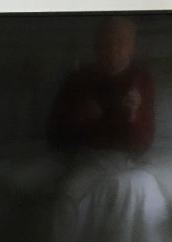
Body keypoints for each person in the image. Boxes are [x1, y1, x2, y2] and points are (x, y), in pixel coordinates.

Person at [48, 17, 155, 155]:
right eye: (106, 42)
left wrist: (134, 115)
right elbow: (53, 137)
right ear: (96, 46)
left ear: (131, 48)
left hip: (118, 159)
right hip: (77, 155)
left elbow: (142, 146)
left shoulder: (142, 79)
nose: (113, 49)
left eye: (121, 42)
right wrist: (79, 115)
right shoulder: (77, 78)